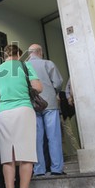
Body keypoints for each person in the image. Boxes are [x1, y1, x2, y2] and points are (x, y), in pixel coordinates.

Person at [0, 44, 42, 188]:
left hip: (4, 113)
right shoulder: (25, 66)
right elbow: (38, 88)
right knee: (26, 155)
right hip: (23, 110)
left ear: (4, 55)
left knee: (8, 156)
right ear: (19, 54)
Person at [27, 44, 64, 177]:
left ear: (30, 53)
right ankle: (56, 168)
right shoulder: (48, 64)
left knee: (37, 139)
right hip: (49, 103)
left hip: (32, 105)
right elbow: (58, 83)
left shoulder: (24, 67)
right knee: (53, 136)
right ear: (40, 52)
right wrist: (53, 91)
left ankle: (39, 170)